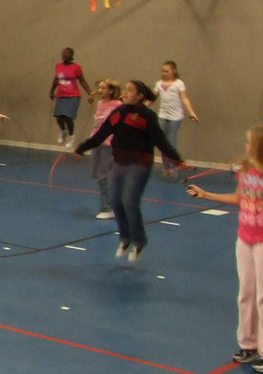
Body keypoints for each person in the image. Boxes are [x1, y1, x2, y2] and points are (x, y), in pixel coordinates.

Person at [186, 125, 263, 373]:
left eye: (250, 142)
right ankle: (248, 343)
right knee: (246, 292)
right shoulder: (245, 170)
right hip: (245, 236)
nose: (246, 146)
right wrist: (206, 195)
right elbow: (238, 199)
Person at [74, 80, 184, 262]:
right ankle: (125, 238)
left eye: (130, 90)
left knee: (129, 200)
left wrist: (177, 160)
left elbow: (161, 141)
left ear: (140, 95)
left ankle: (139, 241)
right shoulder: (118, 113)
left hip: (139, 164)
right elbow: (102, 133)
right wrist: (81, 148)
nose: (125, 92)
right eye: (125, 89)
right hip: (119, 163)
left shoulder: (146, 116)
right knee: (116, 201)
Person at [155, 60, 200, 180]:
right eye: (162, 71)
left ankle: (173, 167)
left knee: (171, 141)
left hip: (175, 117)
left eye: (166, 71)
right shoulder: (159, 83)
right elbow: (152, 98)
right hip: (163, 116)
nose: (164, 73)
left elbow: (185, 99)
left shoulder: (179, 83)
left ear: (173, 71)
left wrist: (192, 113)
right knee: (162, 143)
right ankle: (165, 166)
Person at [86, 78, 123, 219]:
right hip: (96, 142)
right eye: (99, 88)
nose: (100, 90)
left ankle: (108, 208)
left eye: (103, 88)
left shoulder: (118, 105)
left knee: (104, 176)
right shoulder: (100, 103)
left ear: (111, 91)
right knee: (97, 174)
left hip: (109, 144)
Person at [48, 47, 89, 148]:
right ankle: (63, 131)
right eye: (63, 53)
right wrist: (51, 91)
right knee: (59, 117)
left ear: (71, 56)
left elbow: (82, 81)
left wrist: (90, 93)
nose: (64, 55)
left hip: (73, 96)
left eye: (67, 54)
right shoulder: (58, 66)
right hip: (61, 95)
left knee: (68, 117)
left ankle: (71, 136)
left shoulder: (76, 67)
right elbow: (56, 79)